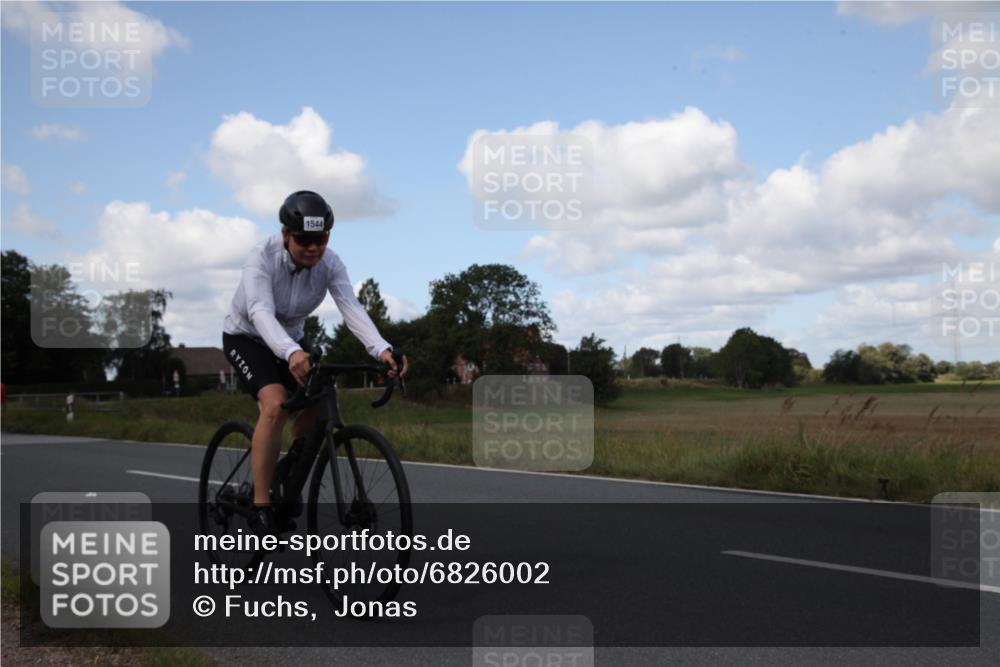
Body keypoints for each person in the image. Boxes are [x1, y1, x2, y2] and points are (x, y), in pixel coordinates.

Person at [222, 190, 407, 535]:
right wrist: (290, 352)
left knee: (322, 396)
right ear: (286, 235)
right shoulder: (260, 258)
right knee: (275, 404)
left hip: (291, 338)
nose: (313, 248)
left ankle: (289, 467)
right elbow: (259, 311)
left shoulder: (331, 264)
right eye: (304, 240)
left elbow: (350, 307)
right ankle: (261, 507)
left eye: (320, 239)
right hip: (248, 337)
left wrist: (382, 350)